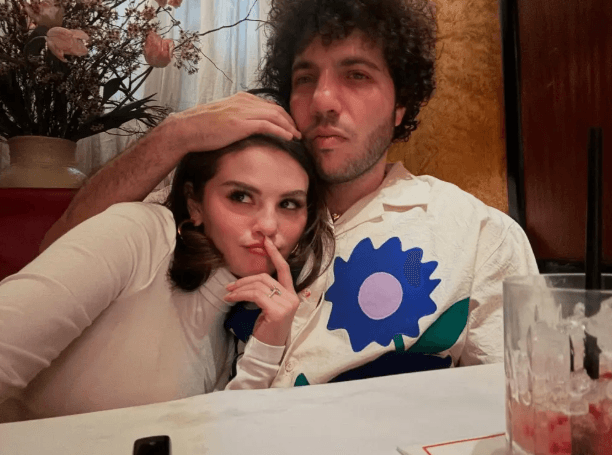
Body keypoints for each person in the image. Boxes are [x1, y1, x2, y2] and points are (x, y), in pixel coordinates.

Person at [41, 0, 539, 388]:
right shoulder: (222, 200)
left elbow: (521, 403)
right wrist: (174, 135)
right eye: (305, 78)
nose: (322, 100)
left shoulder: (479, 235)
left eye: (357, 75)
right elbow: (60, 251)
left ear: (400, 105)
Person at [0, 134, 334, 422]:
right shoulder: (139, 235)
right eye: (241, 197)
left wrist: (266, 349)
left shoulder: (243, 315)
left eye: (289, 203)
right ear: (195, 204)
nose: (269, 225)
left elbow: (221, 435)